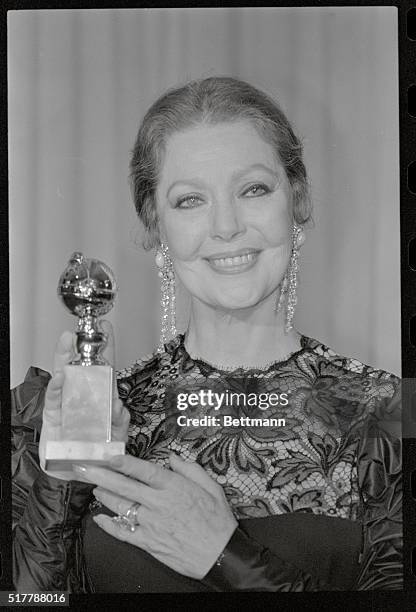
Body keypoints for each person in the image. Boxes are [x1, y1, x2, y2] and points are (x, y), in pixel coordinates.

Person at [12, 76, 402, 592]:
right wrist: (60, 472)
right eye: (190, 200)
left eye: (253, 189)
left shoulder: (387, 416)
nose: (226, 226)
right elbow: (30, 599)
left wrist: (222, 553)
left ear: (299, 200)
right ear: (155, 224)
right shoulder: (89, 413)